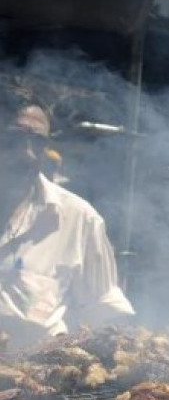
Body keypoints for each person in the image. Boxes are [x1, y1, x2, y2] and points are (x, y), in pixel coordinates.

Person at [0, 90, 134, 351]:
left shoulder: (79, 219)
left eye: (38, 143)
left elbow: (104, 310)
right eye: (12, 140)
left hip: (36, 383)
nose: (27, 154)